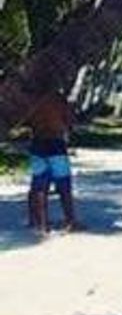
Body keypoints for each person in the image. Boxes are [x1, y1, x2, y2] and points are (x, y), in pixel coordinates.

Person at [21, 90, 80, 233]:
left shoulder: (32, 99)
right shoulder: (58, 98)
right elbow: (70, 121)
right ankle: (70, 221)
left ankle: (41, 223)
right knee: (64, 185)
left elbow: (25, 122)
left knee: (39, 185)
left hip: (37, 142)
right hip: (56, 144)